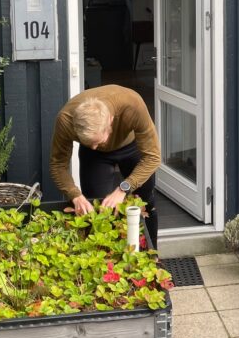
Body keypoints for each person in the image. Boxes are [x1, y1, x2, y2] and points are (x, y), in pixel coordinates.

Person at [49, 85, 160, 246]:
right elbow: (58, 164)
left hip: (131, 147)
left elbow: (153, 157)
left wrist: (123, 188)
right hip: (95, 158)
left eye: (98, 142)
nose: (95, 146)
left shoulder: (132, 105)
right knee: (98, 208)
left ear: (110, 121)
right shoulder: (65, 120)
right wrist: (75, 195)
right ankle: (107, 255)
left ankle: (152, 253)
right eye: (89, 142)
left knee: (146, 202)